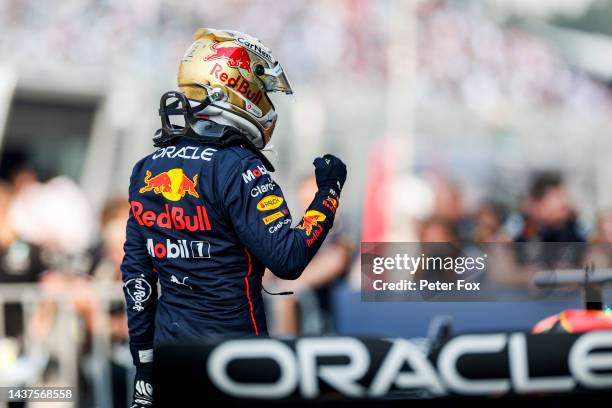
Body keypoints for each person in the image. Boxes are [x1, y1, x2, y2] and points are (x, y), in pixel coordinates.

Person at [120, 28, 347, 407]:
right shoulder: (239, 168)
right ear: (235, 87)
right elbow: (288, 259)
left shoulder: (145, 169)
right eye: (260, 88)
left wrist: (144, 365)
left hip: (170, 359)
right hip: (236, 362)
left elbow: (136, 276)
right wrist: (329, 192)